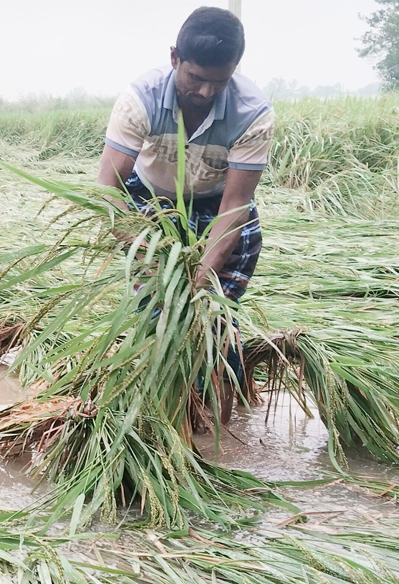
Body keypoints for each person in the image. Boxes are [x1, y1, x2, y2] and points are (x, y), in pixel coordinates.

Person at [98, 6, 273, 422]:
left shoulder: (253, 112)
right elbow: (108, 190)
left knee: (213, 315)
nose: (206, 93)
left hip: (218, 210)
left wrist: (199, 277)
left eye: (220, 81)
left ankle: (223, 427)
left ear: (235, 68)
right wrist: (153, 261)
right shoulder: (139, 100)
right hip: (150, 207)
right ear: (175, 57)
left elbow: (235, 206)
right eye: (196, 78)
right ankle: (163, 412)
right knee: (158, 315)